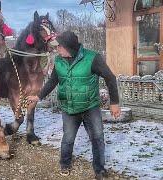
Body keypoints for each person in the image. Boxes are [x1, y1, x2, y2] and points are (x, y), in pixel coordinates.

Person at [28, 31, 121, 180]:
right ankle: (65, 163)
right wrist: (39, 96)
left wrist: (114, 103)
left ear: (69, 48)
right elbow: (53, 81)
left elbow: (110, 77)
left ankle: (99, 169)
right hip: (69, 108)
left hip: (91, 106)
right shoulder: (59, 61)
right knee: (68, 139)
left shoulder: (92, 58)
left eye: (59, 47)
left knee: (97, 138)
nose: (56, 49)